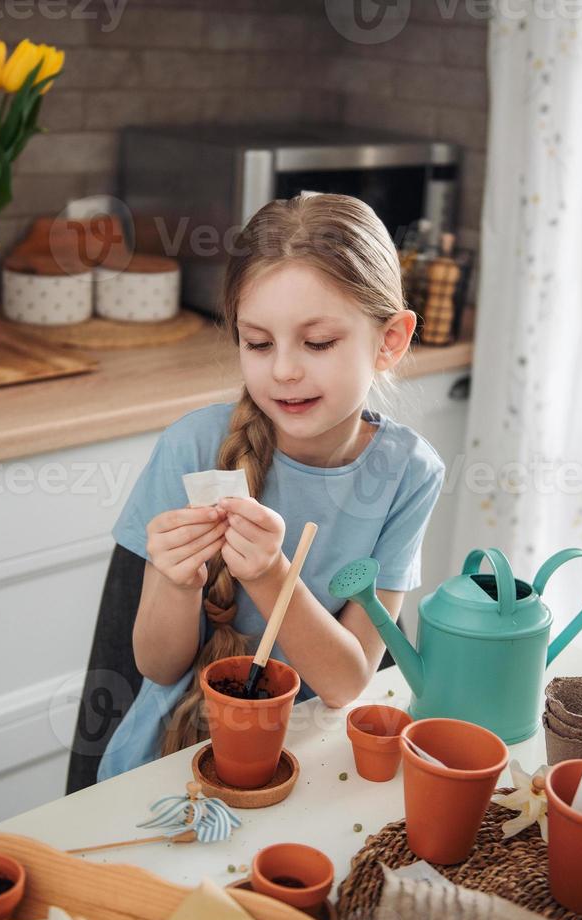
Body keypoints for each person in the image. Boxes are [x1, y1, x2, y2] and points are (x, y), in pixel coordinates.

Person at [96, 192, 445, 781]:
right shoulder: (193, 447)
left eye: (318, 343)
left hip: (310, 761)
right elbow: (157, 667)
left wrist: (268, 574)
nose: (283, 369)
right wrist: (175, 581)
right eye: (258, 343)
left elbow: (346, 682)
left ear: (390, 340)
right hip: (173, 758)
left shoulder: (408, 473)